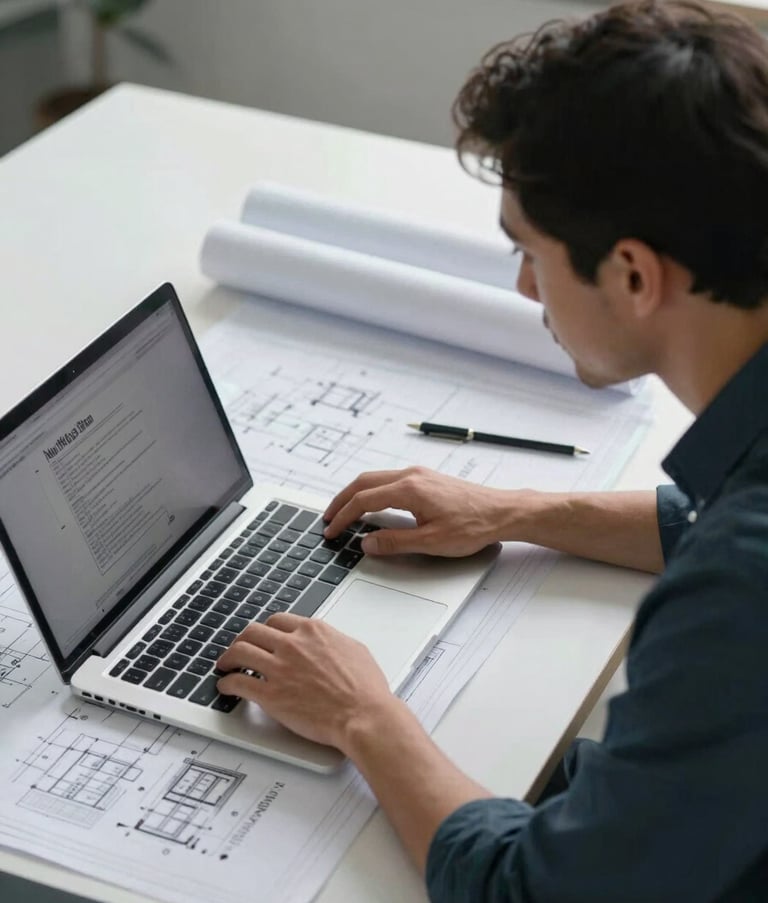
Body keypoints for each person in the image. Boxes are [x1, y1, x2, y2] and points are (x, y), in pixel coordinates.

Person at [216, 1, 768, 899]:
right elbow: (726, 507)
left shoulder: (738, 593)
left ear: (632, 275)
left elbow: (535, 891)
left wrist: (364, 714)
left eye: (530, 252)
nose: (523, 287)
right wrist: (516, 511)